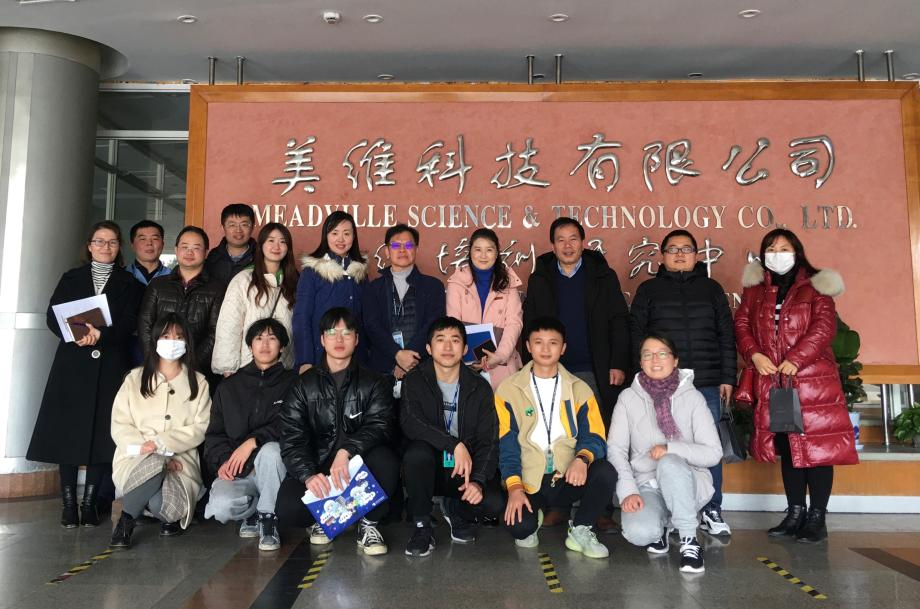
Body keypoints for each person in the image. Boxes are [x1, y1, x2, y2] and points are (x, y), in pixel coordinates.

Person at [734, 228, 857, 543]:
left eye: (784, 248)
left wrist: (796, 359)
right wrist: (755, 354)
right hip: (777, 383)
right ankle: (795, 513)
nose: (777, 254)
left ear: (797, 252)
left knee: (817, 450)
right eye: (771, 249)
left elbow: (824, 327)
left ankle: (817, 517)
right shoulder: (755, 290)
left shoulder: (816, 286)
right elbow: (742, 324)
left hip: (812, 382)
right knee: (789, 448)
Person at [27, 221, 144, 528]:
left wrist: (101, 335)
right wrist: (81, 333)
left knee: (102, 433)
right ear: (90, 246)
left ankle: (90, 503)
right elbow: (53, 316)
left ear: (119, 248)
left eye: (112, 242)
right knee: (68, 432)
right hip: (72, 364)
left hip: (110, 364)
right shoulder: (71, 278)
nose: (106, 247)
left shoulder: (131, 284)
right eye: (99, 241)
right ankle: (68, 504)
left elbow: (130, 323)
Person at [629, 229, 736, 536]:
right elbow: (636, 335)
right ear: (662, 256)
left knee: (707, 447)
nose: (679, 254)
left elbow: (726, 335)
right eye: (673, 249)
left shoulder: (712, 289)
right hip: (661, 384)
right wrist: (643, 377)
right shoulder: (648, 290)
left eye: (686, 249)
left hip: (706, 382)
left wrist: (728, 377)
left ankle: (711, 507)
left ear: (696, 255)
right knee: (664, 446)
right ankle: (670, 509)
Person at [277, 308, 398, 555]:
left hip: (357, 466)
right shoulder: (302, 385)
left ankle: (368, 523)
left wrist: (347, 450)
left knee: (387, 459)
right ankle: (326, 519)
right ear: (322, 339)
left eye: (346, 332)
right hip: (320, 466)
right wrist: (308, 475)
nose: (339, 339)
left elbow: (381, 425)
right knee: (288, 509)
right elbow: (292, 437)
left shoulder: (374, 382)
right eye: (332, 333)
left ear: (356, 339)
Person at [496, 317, 616, 559]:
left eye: (553, 342)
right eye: (538, 342)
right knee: (520, 528)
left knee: (605, 471)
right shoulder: (508, 390)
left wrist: (582, 459)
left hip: (566, 474)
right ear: (528, 346)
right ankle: (534, 515)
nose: (545, 348)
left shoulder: (580, 388)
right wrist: (515, 487)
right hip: (529, 478)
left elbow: (595, 435)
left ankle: (581, 529)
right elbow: (507, 444)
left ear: (563, 348)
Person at [607, 335, 722, 574]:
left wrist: (671, 449)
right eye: (647, 354)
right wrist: (628, 491)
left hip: (689, 482)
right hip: (647, 484)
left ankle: (689, 540)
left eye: (662, 353)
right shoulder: (627, 398)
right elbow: (616, 450)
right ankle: (661, 526)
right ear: (641, 362)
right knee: (639, 533)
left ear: (675, 360)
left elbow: (713, 453)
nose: (655, 360)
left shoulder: (693, 397)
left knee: (669, 463)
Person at [400, 317, 503, 556]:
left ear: (465, 349)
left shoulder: (479, 386)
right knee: (416, 454)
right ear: (429, 348)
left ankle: (455, 509)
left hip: (464, 470)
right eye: (440, 340)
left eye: (455, 340)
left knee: (494, 503)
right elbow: (411, 423)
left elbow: (489, 441)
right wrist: (453, 444)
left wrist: (477, 481)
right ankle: (422, 525)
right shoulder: (414, 380)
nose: (447, 347)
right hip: (430, 468)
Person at [109, 313, 211, 549]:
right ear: (155, 340)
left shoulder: (199, 382)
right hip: (135, 458)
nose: (172, 341)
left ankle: (137, 508)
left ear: (187, 343)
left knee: (162, 506)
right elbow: (120, 423)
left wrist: (164, 445)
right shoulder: (134, 379)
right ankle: (126, 521)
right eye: (166, 336)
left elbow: (201, 426)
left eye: (179, 336)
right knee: (154, 464)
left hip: (180, 463)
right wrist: (148, 450)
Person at [523, 217, 630, 424]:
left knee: (595, 428)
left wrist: (618, 363)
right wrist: (531, 367)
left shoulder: (603, 276)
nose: (567, 246)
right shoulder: (540, 279)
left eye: (573, 239)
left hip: (594, 369)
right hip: (551, 369)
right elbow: (530, 325)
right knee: (555, 428)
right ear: (553, 246)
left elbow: (619, 322)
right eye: (561, 240)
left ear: (582, 242)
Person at [204, 319, 297, 552]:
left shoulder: (294, 383)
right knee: (220, 507)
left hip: (276, 470)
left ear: (282, 347)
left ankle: (268, 518)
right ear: (249, 346)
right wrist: (223, 462)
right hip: (240, 470)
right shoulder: (229, 387)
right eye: (258, 338)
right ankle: (253, 511)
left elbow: (292, 424)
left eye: (272, 339)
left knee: (271, 451)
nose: (265, 344)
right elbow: (214, 435)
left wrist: (252, 442)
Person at [138, 226, 224, 383]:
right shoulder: (158, 285)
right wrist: (157, 362)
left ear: (205, 253)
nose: (189, 252)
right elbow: (145, 325)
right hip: (158, 369)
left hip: (198, 373)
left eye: (196, 248)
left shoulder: (217, 289)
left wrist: (190, 366)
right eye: (185, 247)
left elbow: (215, 333)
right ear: (176, 250)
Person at [212, 222, 299, 376]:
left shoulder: (294, 282)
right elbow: (229, 325)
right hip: (248, 368)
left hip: (283, 370)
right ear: (261, 245)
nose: (276, 246)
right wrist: (228, 368)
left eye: (282, 241)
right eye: (271, 240)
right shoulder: (244, 280)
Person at [362, 224, 446, 380]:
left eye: (408, 245)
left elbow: (433, 325)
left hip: (422, 370)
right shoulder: (373, 288)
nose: (402, 250)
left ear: (417, 250)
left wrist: (408, 359)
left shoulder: (434, 287)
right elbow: (372, 326)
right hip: (382, 371)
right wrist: (397, 355)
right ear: (387, 251)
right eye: (395, 245)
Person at [446, 228, 523, 390]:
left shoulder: (508, 282)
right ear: (470, 252)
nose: (483, 255)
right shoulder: (456, 282)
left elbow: (514, 323)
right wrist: (466, 356)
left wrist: (500, 356)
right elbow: (452, 324)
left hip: (502, 366)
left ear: (497, 253)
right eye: (478, 249)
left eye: (489, 250)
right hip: (464, 364)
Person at [293, 211, 367, 374]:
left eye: (346, 234)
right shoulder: (312, 271)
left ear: (354, 237)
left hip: (356, 359)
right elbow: (301, 317)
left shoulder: (359, 272)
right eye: (335, 233)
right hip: (319, 355)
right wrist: (305, 359)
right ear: (326, 236)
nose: (341, 239)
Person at [205, 203, 257, 287]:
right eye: (232, 225)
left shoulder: (261, 257)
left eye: (244, 225)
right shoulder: (212, 258)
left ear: (252, 228)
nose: (238, 230)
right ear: (223, 227)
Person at [128, 220, 171, 286]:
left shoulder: (174, 277)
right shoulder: (121, 275)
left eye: (155, 239)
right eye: (143, 239)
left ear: (162, 244)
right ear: (132, 245)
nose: (149, 243)